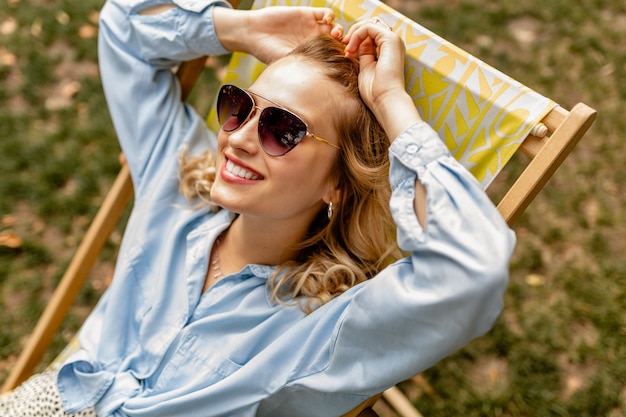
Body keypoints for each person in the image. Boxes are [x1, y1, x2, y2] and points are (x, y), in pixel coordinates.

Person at [0, 0, 516, 416]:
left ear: (337, 183)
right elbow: (123, 25)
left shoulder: (322, 329)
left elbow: (472, 269)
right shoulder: (179, 186)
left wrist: (390, 101)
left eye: (282, 130)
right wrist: (242, 30)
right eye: (239, 106)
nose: (240, 138)